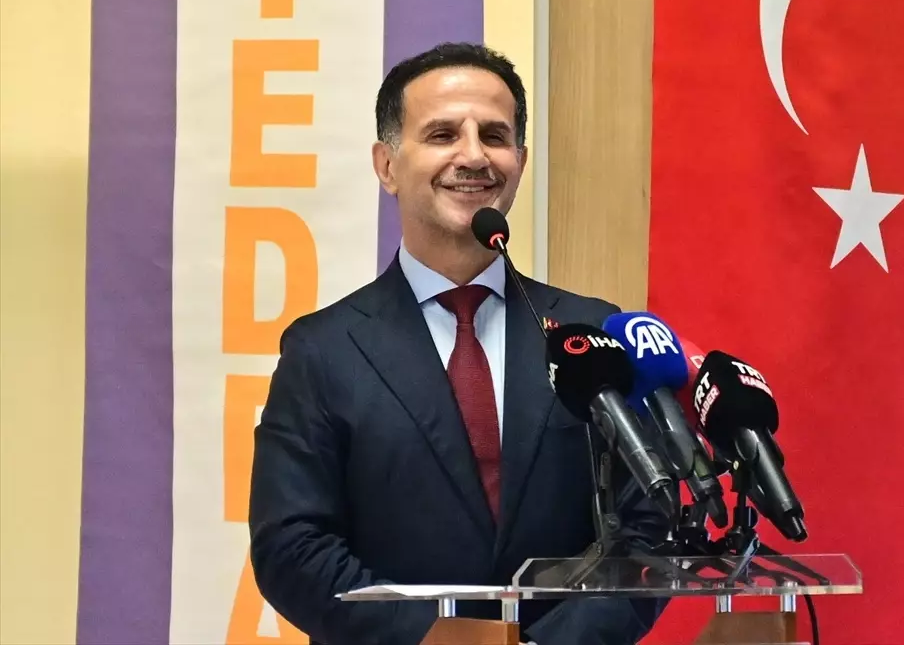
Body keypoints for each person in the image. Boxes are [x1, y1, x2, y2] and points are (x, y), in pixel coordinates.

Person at [249, 42, 669, 645]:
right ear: (387, 166)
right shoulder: (322, 351)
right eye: (443, 134)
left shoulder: (592, 337)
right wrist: (443, 641)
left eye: (495, 136)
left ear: (520, 161)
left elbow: (646, 528)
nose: (473, 156)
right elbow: (293, 548)